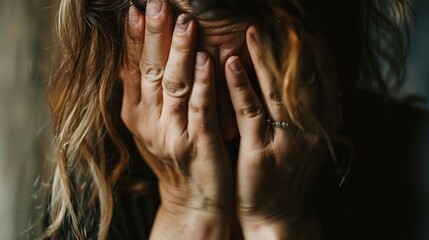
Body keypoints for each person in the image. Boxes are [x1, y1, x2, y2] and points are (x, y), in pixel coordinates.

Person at [38, 0, 428, 239]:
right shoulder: (91, 190)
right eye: (189, 82)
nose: (223, 128)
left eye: (254, 84)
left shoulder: (416, 166)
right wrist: (188, 213)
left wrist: (279, 222)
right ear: (128, 54)